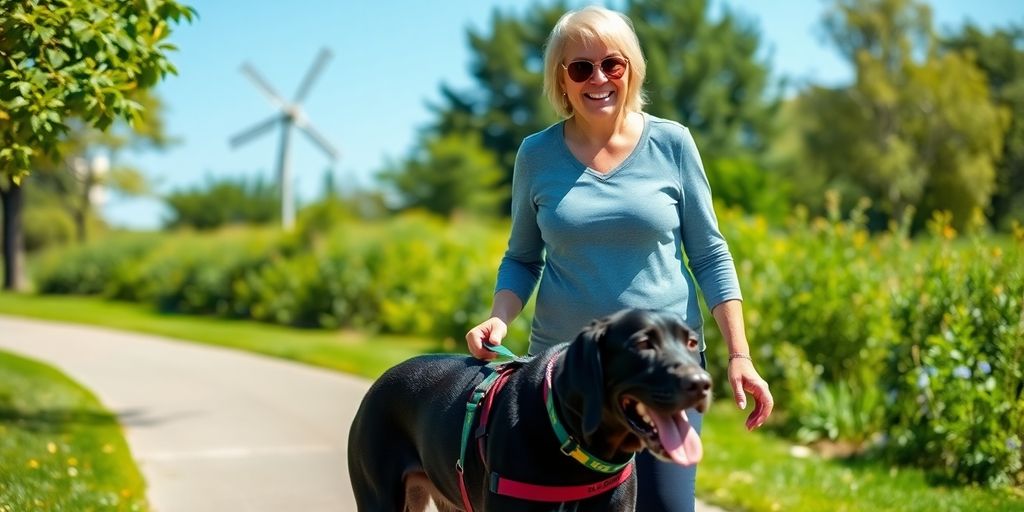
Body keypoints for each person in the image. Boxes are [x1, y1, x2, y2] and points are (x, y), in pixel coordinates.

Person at [464, 5, 773, 512]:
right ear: (561, 80)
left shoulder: (672, 143)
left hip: (661, 367)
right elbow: (522, 258)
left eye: (612, 63)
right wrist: (498, 319)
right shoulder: (536, 155)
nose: (599, 78)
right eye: (580, 67)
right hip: (567, 379)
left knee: (665, 506)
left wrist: (740, 354)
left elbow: (711, 254)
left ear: (631, 69)